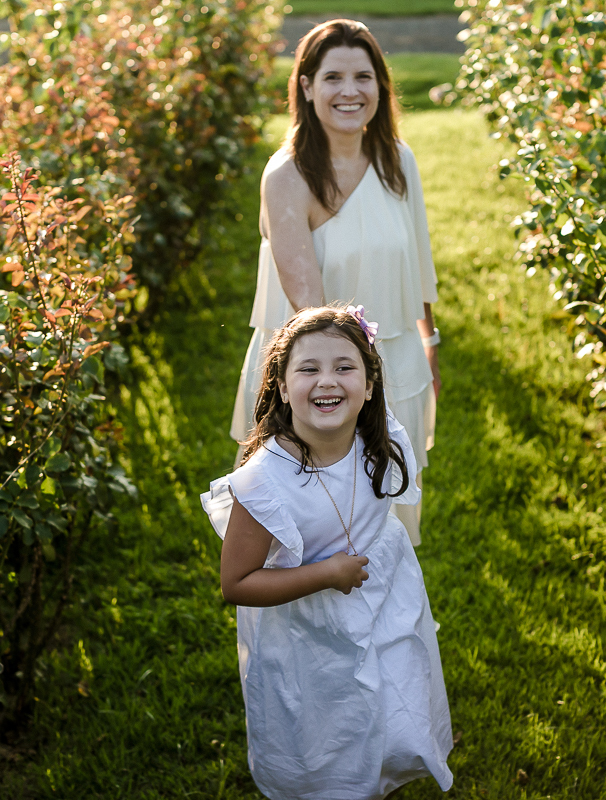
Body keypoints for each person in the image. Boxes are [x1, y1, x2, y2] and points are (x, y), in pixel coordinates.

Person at [203, 306, 453, 799]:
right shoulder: (264, 484)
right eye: (309, 369)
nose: (328, 382)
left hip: (384, 608)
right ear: (280, 385)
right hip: (305, 636)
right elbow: (236, 583)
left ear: (369, 383)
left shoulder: (380, 442)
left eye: (344, 367)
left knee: (389, 712)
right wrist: (325, 574)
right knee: (323, 738)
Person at [230, 18, 440, 546]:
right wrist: (340, 392)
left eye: (363, 77)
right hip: (313, 373)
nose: (350, 92)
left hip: (395, 362)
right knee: (308, 529)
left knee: (384, 528)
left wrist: (428, 343)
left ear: (380, 86)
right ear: (306, 85)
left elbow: (418, 261)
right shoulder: (287, 176)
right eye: (333, 78)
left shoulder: (398, 161)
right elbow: (310, 313)